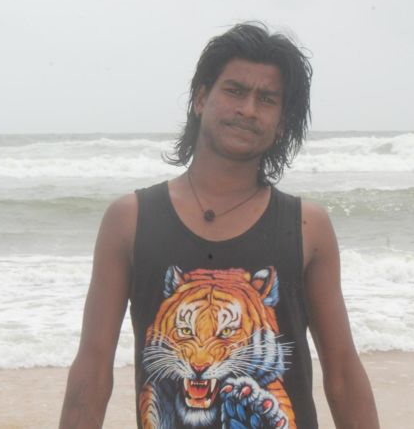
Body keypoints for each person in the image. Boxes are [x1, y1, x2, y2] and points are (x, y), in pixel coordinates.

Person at [60, 23, 379, 429]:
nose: (248, 109)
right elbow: (92, 368)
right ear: (200, 98)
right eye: (234, 91)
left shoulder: (307, 226)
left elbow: (343, 372)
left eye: (267, 99)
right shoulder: (130, 219)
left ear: (282, 121)